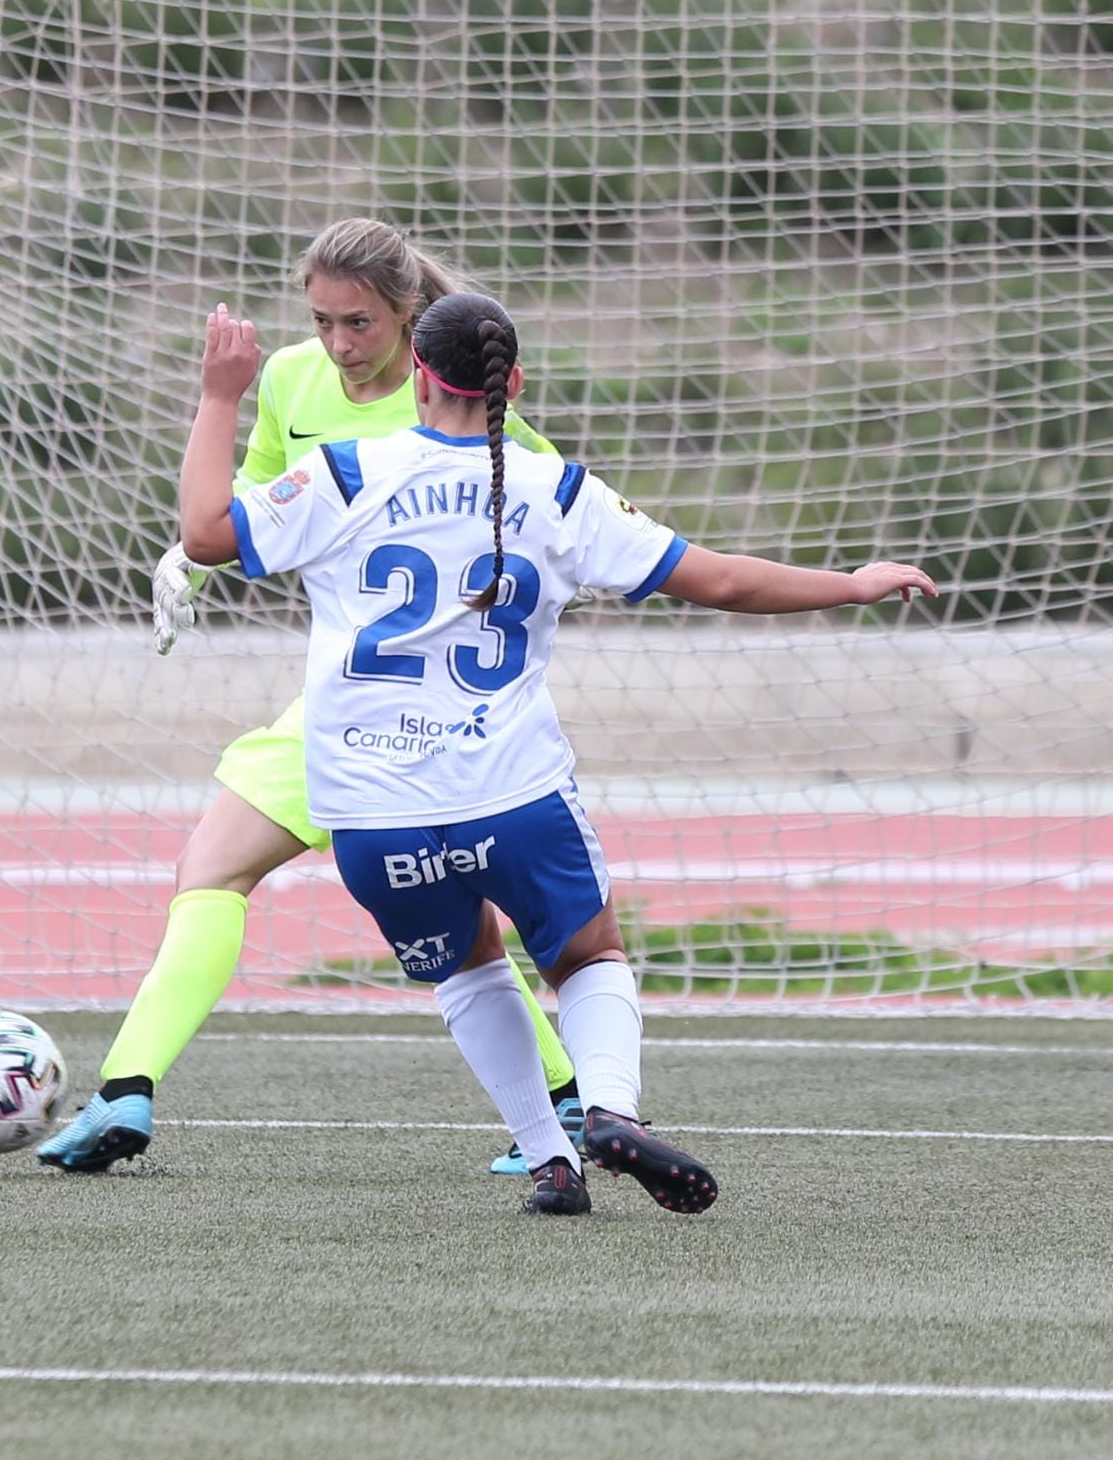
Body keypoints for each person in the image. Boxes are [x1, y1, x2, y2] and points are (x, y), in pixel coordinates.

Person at [171, 291, 938, 1215]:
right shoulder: (555, 488)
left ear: (417, 377)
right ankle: (609, 1109)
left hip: (369, 807)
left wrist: (222, 396)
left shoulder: (342, 474)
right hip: (512, 792)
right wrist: (851, 586)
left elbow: (207, 535)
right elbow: (724, 581)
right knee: (587, 958)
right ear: (513, 384)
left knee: (468, 966)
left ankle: (550, 1164)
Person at [37, 220, 580, 1175]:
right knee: (212, 872)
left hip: (436, 721)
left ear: (412, 318)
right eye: (323, 321)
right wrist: (191, 564)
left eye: (360, 323)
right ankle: (124, 1095)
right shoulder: (290, 378)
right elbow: (249, 493)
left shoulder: (468, 402)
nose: (338, 344)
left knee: (463, 937)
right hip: (338, 706)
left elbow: (548, 521)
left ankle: (569, 1106)